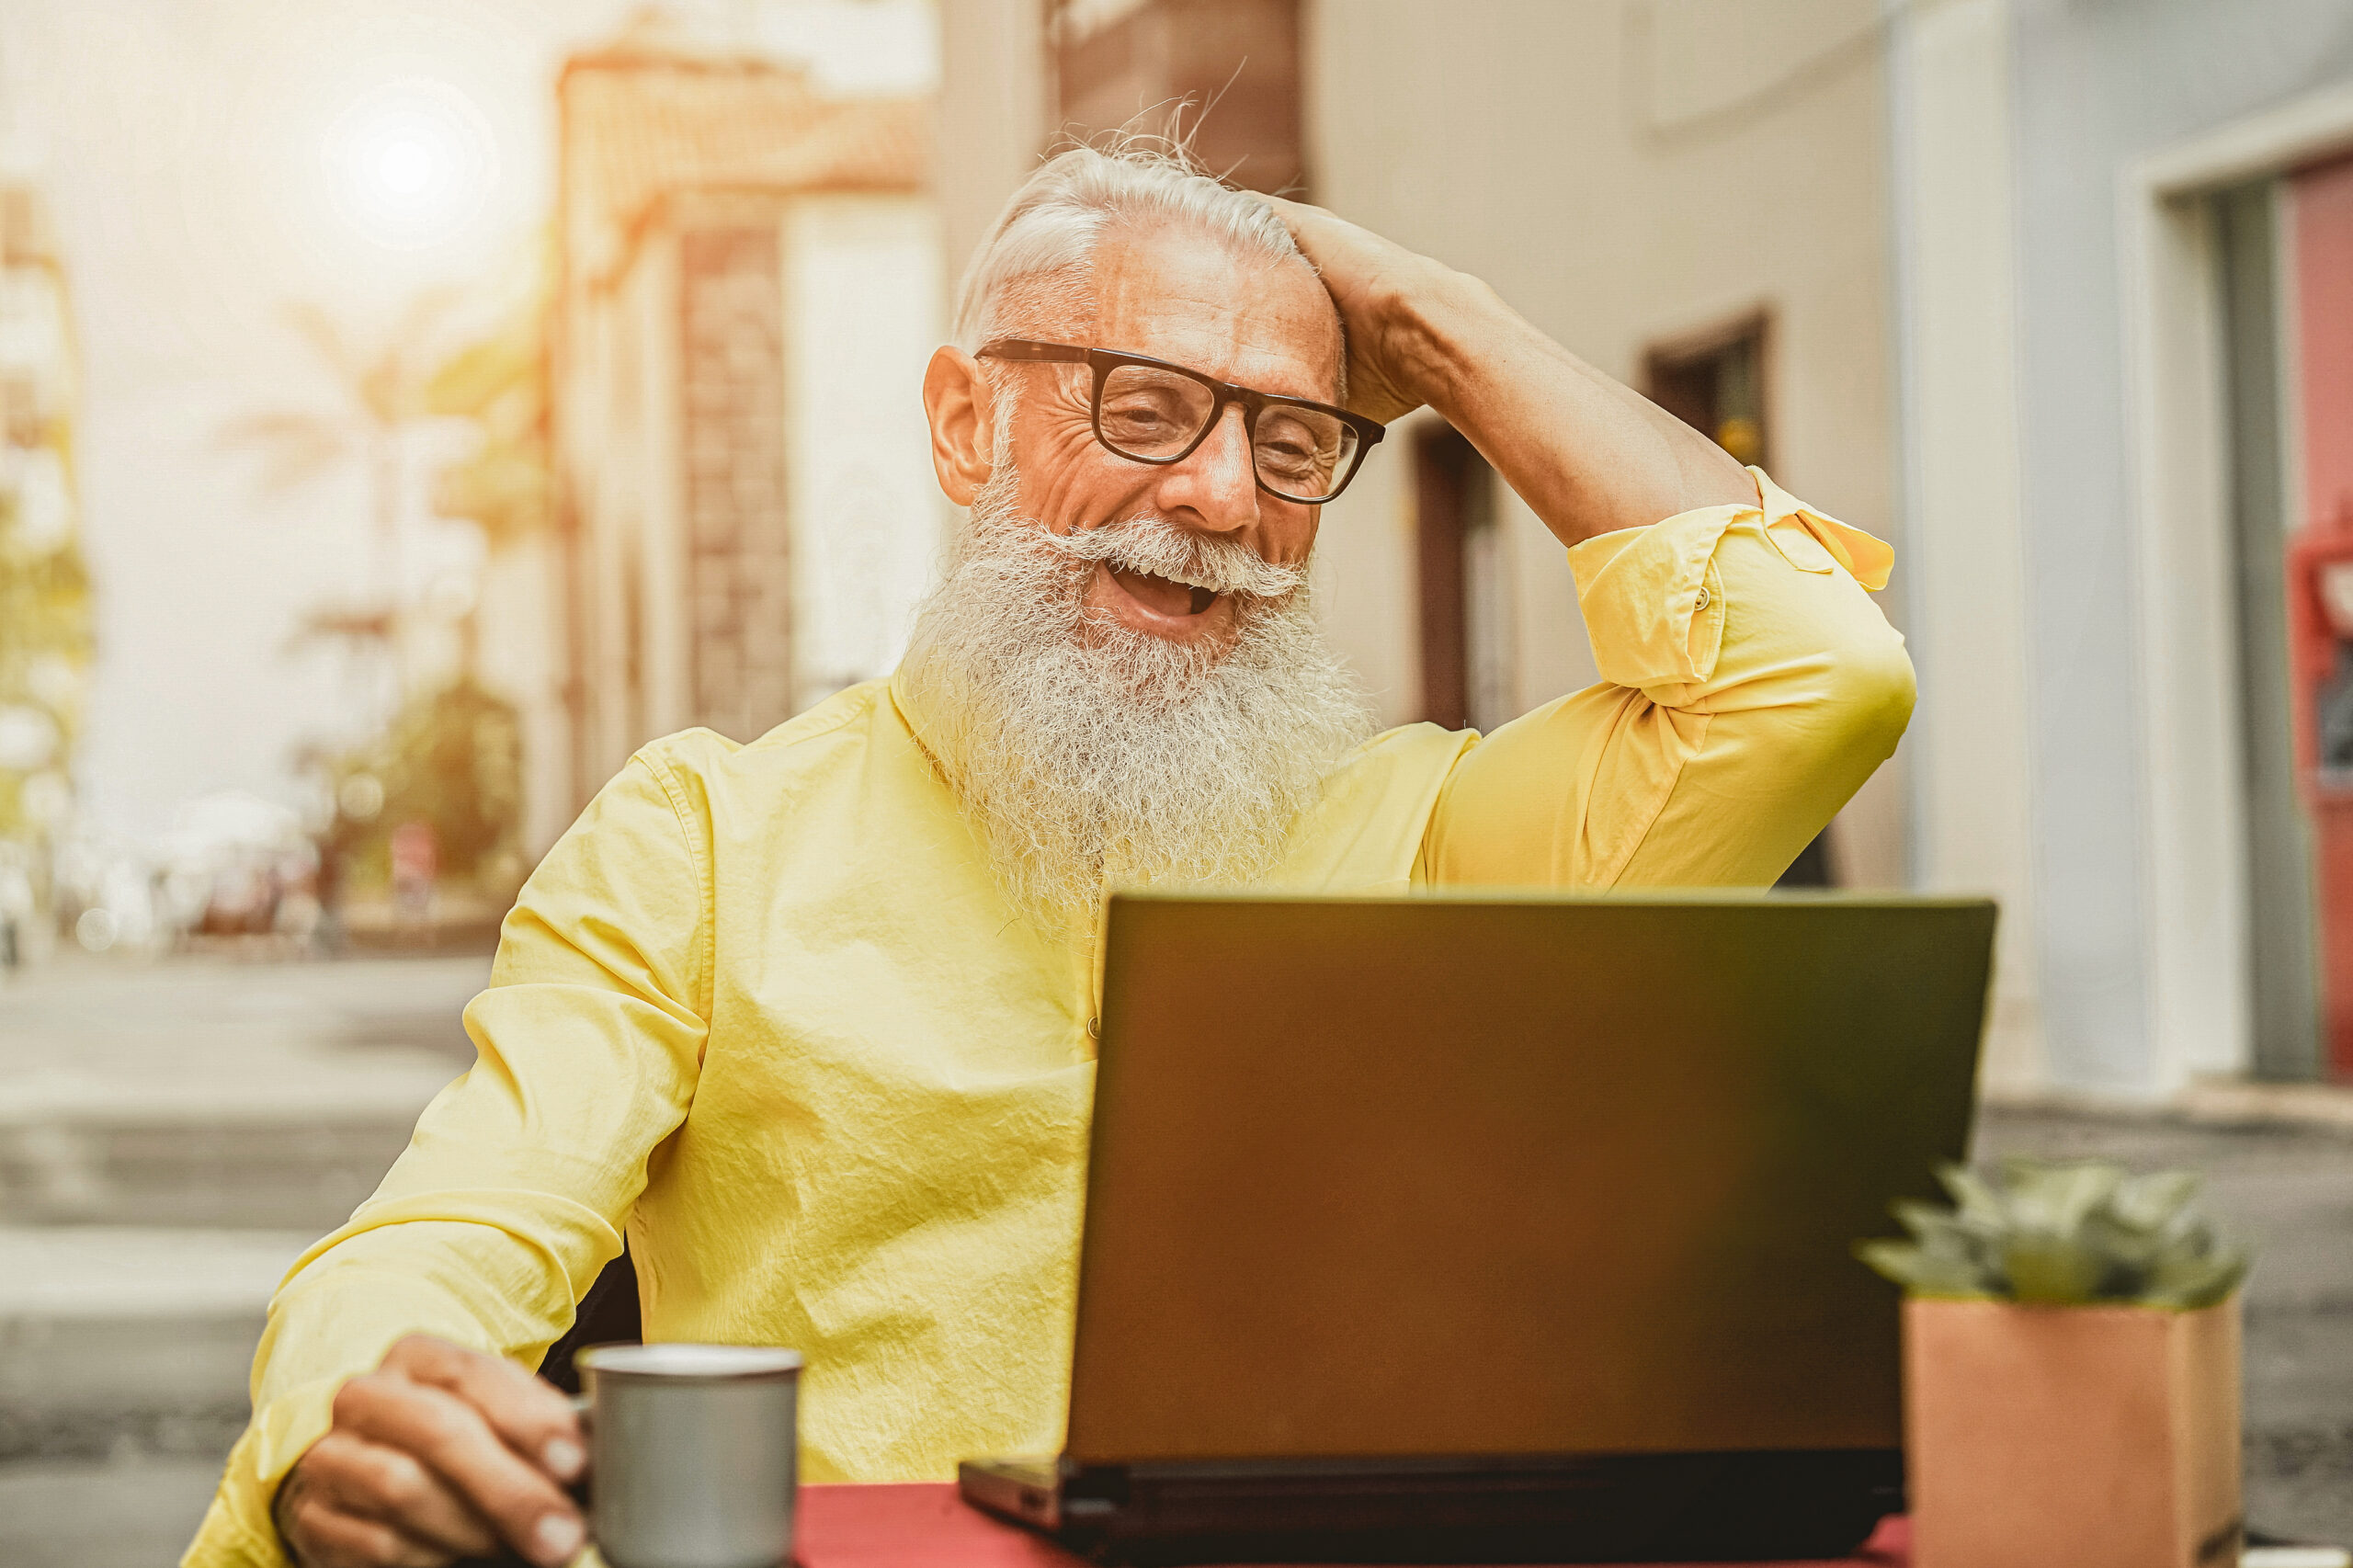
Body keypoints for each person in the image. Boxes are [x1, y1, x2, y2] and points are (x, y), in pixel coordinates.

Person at [188, 147, 1913, 1568]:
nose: (1228, 499)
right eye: (1148, 405)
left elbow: (1816, 680)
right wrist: (366, 1397)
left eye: (1293, 439)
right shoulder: (706, 835)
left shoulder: (1429, 833)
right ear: (964, 430)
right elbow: (452, 1224)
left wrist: (1436, 325)